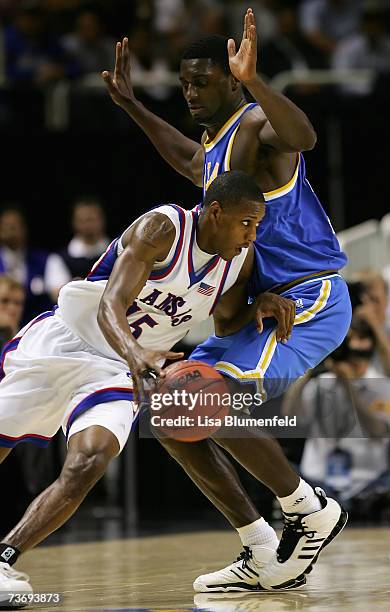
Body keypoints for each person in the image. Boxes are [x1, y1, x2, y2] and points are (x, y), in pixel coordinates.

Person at [102, 7, 351, 591]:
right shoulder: (215, 150)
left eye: (201, 81)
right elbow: (189, 159)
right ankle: (260, 546)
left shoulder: (257, 126)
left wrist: (260, 81)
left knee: (211, 396)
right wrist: (134, 107)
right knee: (168, 410)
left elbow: (304, 136)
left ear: (231, 79)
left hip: (307, 296)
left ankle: (307, 507)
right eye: (184, 82)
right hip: (262, 301)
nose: (189, 92)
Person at [0, 171, 269, 601]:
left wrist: (262, 305)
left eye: (257, 225)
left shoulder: (238, 262)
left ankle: (3, 559)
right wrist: (135, 352)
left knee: (89, 460)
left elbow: (228, 321)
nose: (252, 235)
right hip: (69, 339)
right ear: (216, 212)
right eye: (246, 223)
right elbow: (111, 304)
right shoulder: (163, 228)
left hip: (117, 372)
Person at [45, 197, 111, 302]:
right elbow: (57, 293)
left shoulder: (116, 251)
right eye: (82, 220)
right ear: (74, 222)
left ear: (102, 220)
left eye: (91, 219)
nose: (87, 225)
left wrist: (79, 287)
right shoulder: (59, 258)